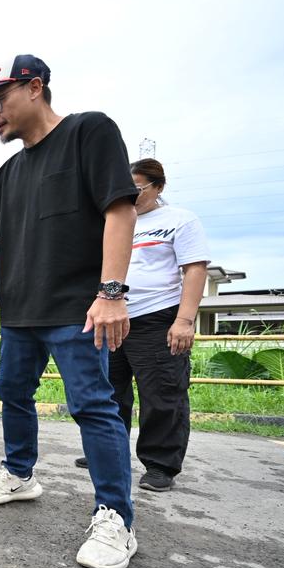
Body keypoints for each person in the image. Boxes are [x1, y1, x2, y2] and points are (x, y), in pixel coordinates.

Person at [0, 55, 138, 568]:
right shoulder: (7, 173)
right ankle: (20, 474)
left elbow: (120, 208)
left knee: (92, 406)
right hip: (20, 313)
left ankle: (115, 517)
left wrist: (111, 292)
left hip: (77, 309)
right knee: (13, 393)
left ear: (35, 87)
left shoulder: (89, 132)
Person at [75, 159, 209, 491]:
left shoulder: (179, 220)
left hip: (157, 316)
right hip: (111, 317)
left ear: (158, 187)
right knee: (109, 392)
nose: (128, 194)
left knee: (162, 394)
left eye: (136, 188)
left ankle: (160, 464)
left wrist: (184, 320)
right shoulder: (112, 220)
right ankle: (108, 450)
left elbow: (195, 269)